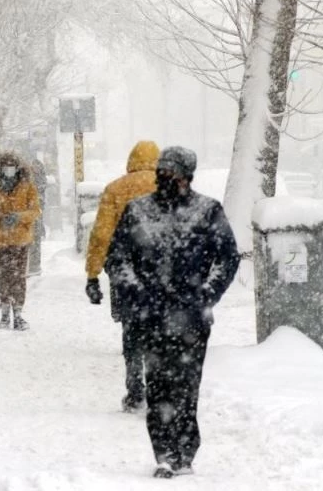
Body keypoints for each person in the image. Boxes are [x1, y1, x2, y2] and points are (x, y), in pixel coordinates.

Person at [104, 146, 240, 478]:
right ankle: (164, 452)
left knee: (186, 386)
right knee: (159, 385)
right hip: (150, 317)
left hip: (192, 320)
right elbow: (117, 258)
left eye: (173, 172)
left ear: (187, 176)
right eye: (161, 171)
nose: (166, 177)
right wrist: (135, 292)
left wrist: (207, 293)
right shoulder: (137, 211)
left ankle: (185, 452)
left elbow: (228, 257)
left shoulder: (207, 211)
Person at [85, 140, 160, 413]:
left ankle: (135, 390)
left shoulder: (116, 189)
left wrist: (92, 275)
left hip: (124, 269)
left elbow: (101, 235)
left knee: (131, 330)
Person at [0, 152, 41, 330]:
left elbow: (35, 211)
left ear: (18, 168)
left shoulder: (28, 187)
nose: (9, 169)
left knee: (19, 277)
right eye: (6, 166)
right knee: (4, 276)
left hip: (21, 239)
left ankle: (18, 312)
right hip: (1, 239)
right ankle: (5, 312)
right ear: (0, 168)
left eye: (12, 166)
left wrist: (19, 217)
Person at [28, 157, 48, 276]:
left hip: (36, 210)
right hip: (30, 210)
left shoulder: (41, 180)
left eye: (37, 167)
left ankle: (34, 264)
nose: (34, 169)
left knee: (36, 237)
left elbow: (41, 192)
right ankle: (30, 263)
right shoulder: (28, 180)